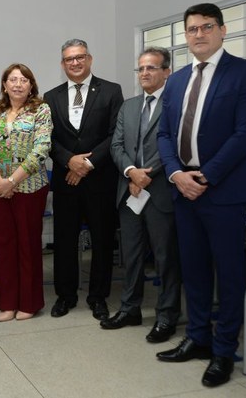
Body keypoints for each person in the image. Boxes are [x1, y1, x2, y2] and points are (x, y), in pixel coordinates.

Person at [155, 3, 246, 388]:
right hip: (183, 189)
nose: (198, 34)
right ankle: (198, 337)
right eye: (191, 29)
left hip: (223, 191)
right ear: (185, 35)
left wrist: (205, 176)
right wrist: (174, 173)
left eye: (206, 27)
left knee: (229, 273)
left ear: (222, 30)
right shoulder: (176, 79)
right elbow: (165, 135)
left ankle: (223, 351)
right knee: (194, 269)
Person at [43, 39, 124, 320]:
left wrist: (87, 163)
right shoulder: (50, 97)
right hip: (66, 180)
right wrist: (70, 161)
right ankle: (65, 296)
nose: (74, 63)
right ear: (62, 64)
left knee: (102, 240)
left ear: (89, 59)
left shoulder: (112, 91)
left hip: (100, 180)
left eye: (79, 57)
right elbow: (47, 139)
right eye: (68, 59)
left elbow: (116, 134)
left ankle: (98, 296)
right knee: (64, 241)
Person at [106, 47, 181, 342]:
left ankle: (167, 315)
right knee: (132, 255)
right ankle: (130, 308)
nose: (145, 73)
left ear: (167, 72)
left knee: (166, 257)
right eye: (141, 69)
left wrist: (145, 175)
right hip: (130, 191)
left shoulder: (176, 105)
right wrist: (130, 173)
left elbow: (175, 146)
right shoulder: (129, 105)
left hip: (160, 190)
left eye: (151, 68)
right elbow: (117, 146)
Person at [0, 63, 53, 322]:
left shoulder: (40, 110)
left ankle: (29, 303)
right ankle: (7, 303)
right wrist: (0, 181)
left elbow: (41, 148)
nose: (18, 84)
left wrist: (12, 180)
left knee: (28, 244)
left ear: (31, 85)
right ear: (4, 85)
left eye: (24, 80)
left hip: (30, 188)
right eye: (13, 79)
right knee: (4, 245)